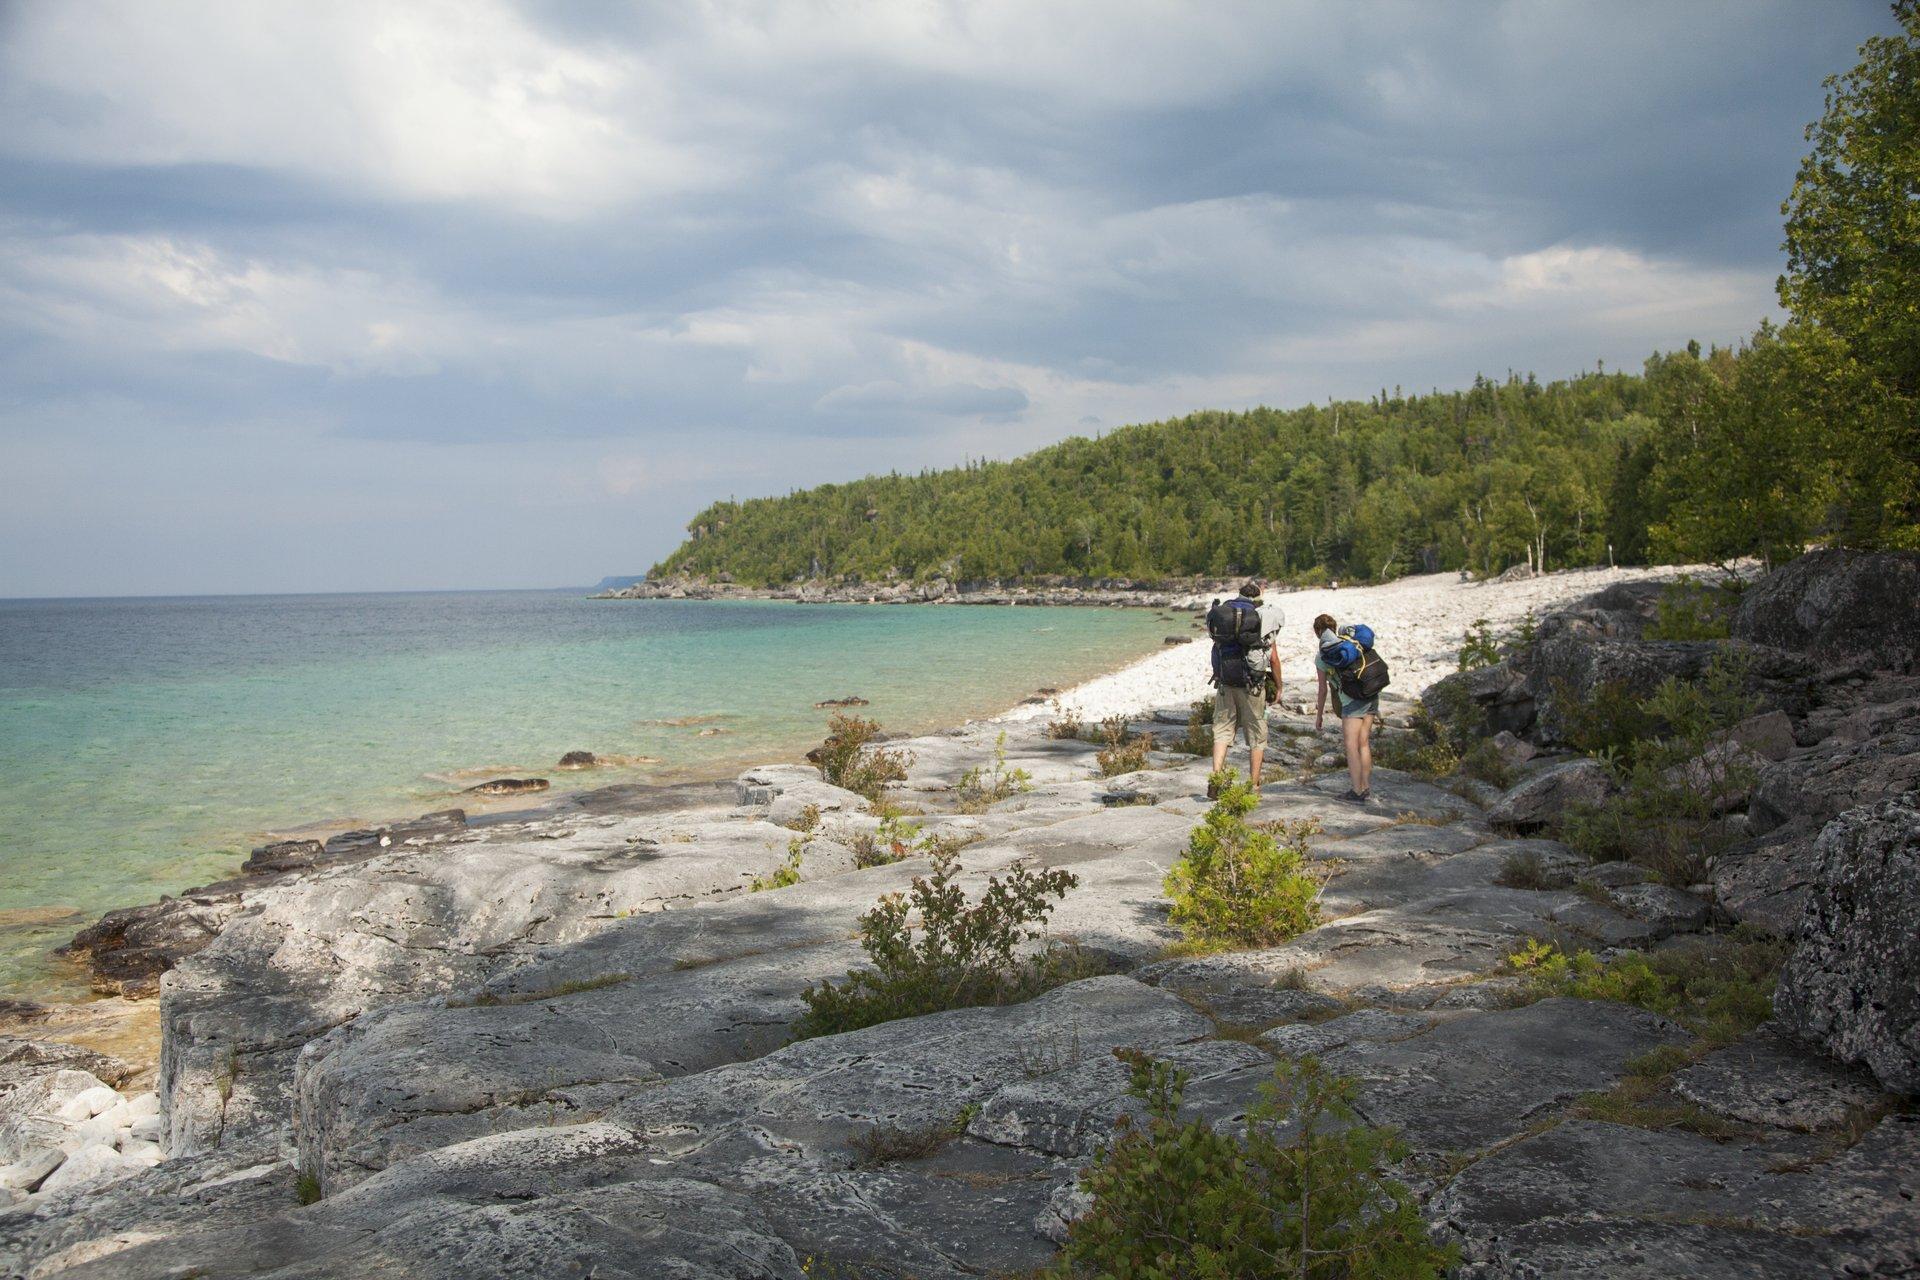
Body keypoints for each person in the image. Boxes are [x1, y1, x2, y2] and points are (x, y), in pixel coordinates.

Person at [1211, 581, 1283, 790]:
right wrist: (1278, 686)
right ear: (1257, 596)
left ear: (1239, 594)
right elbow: (1274, 659)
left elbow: (1216, 649)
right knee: (1256, 735)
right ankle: (1253, 784)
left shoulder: (1226, 617)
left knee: (1222, 731)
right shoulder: (1260, 618)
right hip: (1253, 685)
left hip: (1226, 681)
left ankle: (1216, 780)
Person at [1312, 612, 1374, 802]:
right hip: (1370, 694)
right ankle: (1365, 786)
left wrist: (1319, 715)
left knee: (1351, 746)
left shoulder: (1323, 655)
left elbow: (1323, 690)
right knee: (1363, 743)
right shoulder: (1353, 645)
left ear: (1318, 632)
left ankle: (1356, 791)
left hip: (1350, 702)